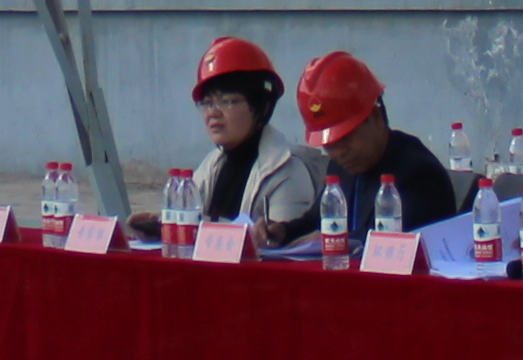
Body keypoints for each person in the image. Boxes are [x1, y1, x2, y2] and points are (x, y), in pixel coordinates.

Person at [289, 50, 461, 246]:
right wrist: (281, 232)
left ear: (375, 116)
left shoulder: (419, 175)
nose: (338, 153)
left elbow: (392, 241)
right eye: (329, 145)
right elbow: (317, 219)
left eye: (345, 138)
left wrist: (333, 240)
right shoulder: (341, 167)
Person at [183, 36, 321, 246]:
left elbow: (282, 253)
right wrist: (159, 229)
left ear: (263, 107)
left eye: (228, 101)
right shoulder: (212, 165)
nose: (213, 113)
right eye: (207, 102)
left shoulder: (287, 171)